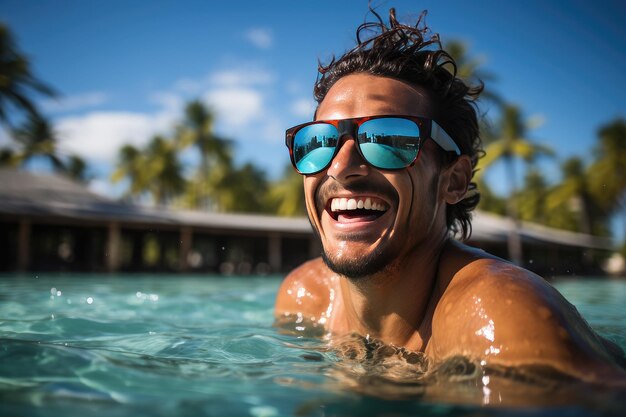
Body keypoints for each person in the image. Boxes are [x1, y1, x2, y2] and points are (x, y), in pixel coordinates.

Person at [274, 8, 626, 384]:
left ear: (453, 180)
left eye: (389, 140)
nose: (341, 166)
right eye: (319, 142)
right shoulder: (305, 299)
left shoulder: (497, 320)